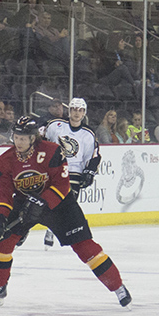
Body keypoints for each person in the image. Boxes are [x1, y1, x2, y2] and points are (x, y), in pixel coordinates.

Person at [0, 115, 131, 308]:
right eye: (16, 137)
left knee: (84, 246)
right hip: (25, 203)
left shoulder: (52, 151)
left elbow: (62, 185)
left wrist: (42, 202)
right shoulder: (4, 162)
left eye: (23, 138)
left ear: (33, 138)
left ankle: (118, 287)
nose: (19, 142)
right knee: (2, 240)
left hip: (60, 204)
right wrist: (1, 217)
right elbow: (4, 193)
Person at [41, 97, 100, 248]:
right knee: (42, 201)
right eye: (74, 109)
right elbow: (40, 137)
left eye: (80, 110)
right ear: (69, 110)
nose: (76, 113)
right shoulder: (56, 125)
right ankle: (24, 231)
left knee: (66, 203)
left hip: (74, 172)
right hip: (54, 169)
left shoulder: (88, 133)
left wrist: (90, 171)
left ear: (84, 113)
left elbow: (93, 155)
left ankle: (51, 230)